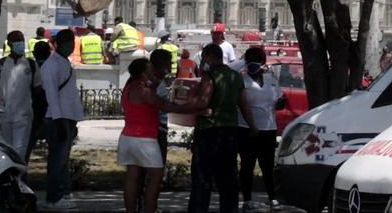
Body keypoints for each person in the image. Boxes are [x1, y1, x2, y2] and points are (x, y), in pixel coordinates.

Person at [189, 44, 256, 213]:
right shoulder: (236, 77)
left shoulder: (209, 77)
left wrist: (189, 106)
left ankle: (198, 209)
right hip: (230, 132)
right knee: (227, 179)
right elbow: (244, 106)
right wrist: (253, 126)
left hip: (208, 131)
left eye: (204, 57)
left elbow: (204, 102)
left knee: (202, 177)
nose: (203, 61)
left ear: (210, 57)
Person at [120, 56, 177, 213]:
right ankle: (149, 208)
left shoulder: (131, 86)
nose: (169, 67)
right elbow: (164, 105)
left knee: (133, 176)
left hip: (129, 135)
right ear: (144, 73)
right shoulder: (144, 89)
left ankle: (134, 209)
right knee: (156, 176)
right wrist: (196, 107)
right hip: (145, 137)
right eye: (150, 69)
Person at [38, 25, 85, 207]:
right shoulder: (52, 66)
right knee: (57, 160)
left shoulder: (65, 62)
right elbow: (51, 95)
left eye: (72, 42)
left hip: (67, 117)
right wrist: (58, 122)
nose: (71, 46)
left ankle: (63, 194)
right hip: (58, 118)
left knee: (63, 159)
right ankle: (54, 197)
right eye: (68, 43)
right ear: (58, 44)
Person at [239, 47, 283, 208]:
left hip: (269, 128)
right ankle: (247, 199)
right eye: (249, 61)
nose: (252, 65)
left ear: (263, 63)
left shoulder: (271, 79)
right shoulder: (242, 80)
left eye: (256, 61)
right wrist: (251, 126)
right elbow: (241, 104)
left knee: (267, 165)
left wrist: (281, 103)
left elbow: (279, 98)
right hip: (246, 129)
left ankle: (272, 197)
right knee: (247, 165)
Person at [0, 30, 37, 163]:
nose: (20, 43)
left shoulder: (31, 65)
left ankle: (18, 181)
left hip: (24, 116)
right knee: (7, 154)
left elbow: (38, 91)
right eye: (17, 40)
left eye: (22, 39)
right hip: (4, 116)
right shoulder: (0, 64)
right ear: (9, 43)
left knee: (19, 154)